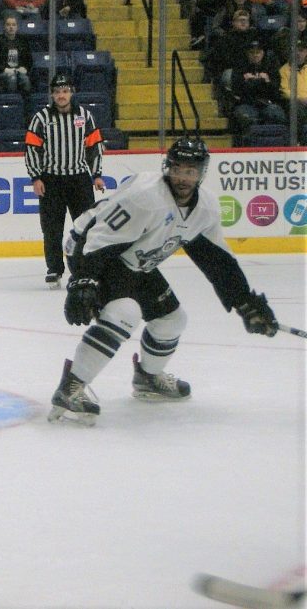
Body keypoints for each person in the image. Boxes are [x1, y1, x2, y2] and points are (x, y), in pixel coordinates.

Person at [48, 137, 279, 426]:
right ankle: (71, 387)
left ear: (201, 173)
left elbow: (216, 260)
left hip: (134, 260)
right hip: (92, 251)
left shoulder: (204, 208)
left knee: (172, 319)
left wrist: (246, 303)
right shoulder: (146, 195)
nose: (183, 177)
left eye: (191, 171)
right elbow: (99, 236)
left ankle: (147, 377)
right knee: (124, 313)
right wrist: (84, 280)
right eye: (178, 169)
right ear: (167, 167)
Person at [24, 72, 105, 289]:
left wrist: (96, 174)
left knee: (86, 228)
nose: (61, 95)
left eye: (65, 91)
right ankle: (54, 269)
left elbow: (94, 147)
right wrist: (36, 177)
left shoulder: (85, 116)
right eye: (58, 91)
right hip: (51, 181)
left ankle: (84, 269)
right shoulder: (41, 118)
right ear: (52, 94)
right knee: (52, 228)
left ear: (72, 93)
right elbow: (32, 149)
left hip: (79, 180)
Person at [230, 40, 286, 144]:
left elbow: (275, 90)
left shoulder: (270, 67)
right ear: (247, 54)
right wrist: (245, 81)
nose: (255, 55)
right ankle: (247, 145)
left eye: (258, 52)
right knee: (246, 116)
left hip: (267, 103)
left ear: (263, 53)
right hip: (247, 103)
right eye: (252, 53)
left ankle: (276, 145)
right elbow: (236, 90)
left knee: (277, 114)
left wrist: (267, 81)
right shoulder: (239, 68)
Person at [0, 12, 33, 95]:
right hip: (1, 73)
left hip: (18, 71)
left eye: (13, 25)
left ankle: (25, 104)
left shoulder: (23, 41)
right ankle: (12, 102)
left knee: (25, 79)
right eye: (8, 25)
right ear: (4, 27)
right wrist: (4, 69)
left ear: (17, 27)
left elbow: (29, 60)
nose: (11, 27)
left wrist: (25, 68)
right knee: (12, 78)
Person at [278, 38, 307, 144]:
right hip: (294, 103)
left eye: (302, 50)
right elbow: (284, 91)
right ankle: (299, 142)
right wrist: (299, 98)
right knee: (297, 110)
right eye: (296, 50)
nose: (299, 53)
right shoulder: (283, 70)